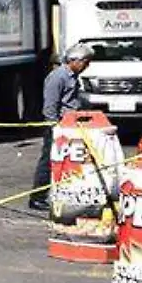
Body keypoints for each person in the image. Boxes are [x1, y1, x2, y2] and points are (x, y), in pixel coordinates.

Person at [29, 44, 93, 210]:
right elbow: (50, 105)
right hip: (57, 126)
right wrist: (54, 126)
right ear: (76, 61)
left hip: (70, 125)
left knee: (66, 161)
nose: (87, 66)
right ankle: (37, 197)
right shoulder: (58, 77)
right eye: (85, 61)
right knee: (48, 161)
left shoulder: (73, 76)